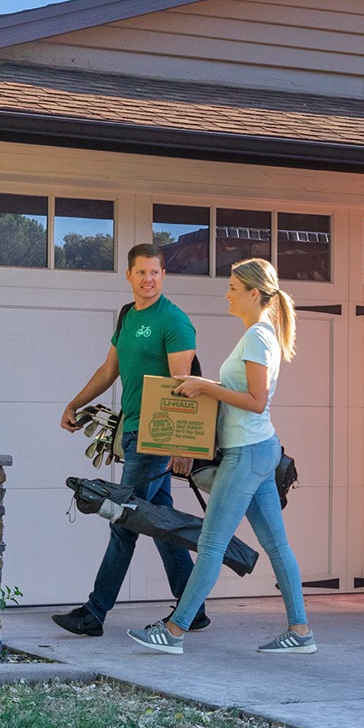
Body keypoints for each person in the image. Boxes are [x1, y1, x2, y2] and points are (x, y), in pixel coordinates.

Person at [127, 258, 314, 655]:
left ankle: (174, 631)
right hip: (258, 450)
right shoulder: (259, 334)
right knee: (277, 546)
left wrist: (206, 387)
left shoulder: (257, 336)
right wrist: (206, 384)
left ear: (253, 293)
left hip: (246, 453)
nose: (227, 294)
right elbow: (247, 395)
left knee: (211, 543)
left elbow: (255, 400)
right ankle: (300, 631)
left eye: (232, 287)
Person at [53, 243, 207, 636]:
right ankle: (193, 607)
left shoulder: (174, 321)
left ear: (164, 275)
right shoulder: (126, 315)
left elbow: (184, 386)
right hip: (134, 430)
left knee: (123, 521)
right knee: (160, 520)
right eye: (141, 272)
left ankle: (94, 613)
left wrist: (181, 447)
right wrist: (75, 403)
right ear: (129, 275)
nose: (148, 279)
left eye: (155, 272)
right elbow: (110, 369)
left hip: (157, 436)